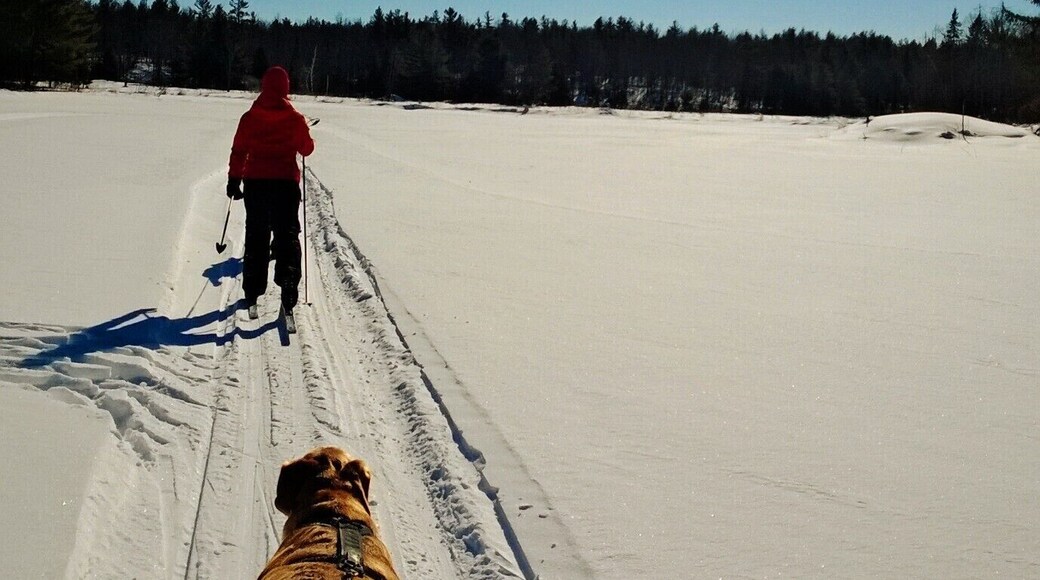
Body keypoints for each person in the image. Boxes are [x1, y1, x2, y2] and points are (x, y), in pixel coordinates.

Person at [227, 66, 314, 318]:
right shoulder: (295, 118)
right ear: (286, 87)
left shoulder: (249, 117)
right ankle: (288, 283)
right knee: (287, 235)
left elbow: (238, 151)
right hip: (285, 185)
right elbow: (306, 149)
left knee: (256, 236)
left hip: (256, 184)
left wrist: (234, 180)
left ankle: (252, 290)